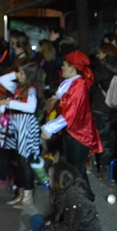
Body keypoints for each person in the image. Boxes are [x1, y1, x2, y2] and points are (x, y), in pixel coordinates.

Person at [41, 51, 102, 187]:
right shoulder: (72, 84)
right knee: (73, 169)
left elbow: (70, 113)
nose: (61, 68)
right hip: (73, 133)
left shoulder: (79, 86)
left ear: (72, 68)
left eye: (64, 65)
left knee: (77, 170)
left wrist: (49, 128)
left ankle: (84, 198)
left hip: (80, 135)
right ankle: (78, 198)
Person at [0, 60, 44, 207]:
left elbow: (31, 108)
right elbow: (2, 79)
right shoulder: (19, 87)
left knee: (23, 161)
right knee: (18, 161)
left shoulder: (31, 89)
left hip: (26, 126)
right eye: (19, 73)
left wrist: (9, 103)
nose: (19, 75)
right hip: (17, 126)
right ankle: (21, 193)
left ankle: (27, 196)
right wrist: (18, 73)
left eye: (22, 73)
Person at [26, 161, 103, 231]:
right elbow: (61, 215)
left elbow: (69, 227)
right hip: (68, 228)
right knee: (35, 219)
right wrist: (50, 222)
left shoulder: (73, 198)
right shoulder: (64, 190)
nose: (47, 179)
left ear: (59, 180)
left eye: (50, 177)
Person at [90, 42, 117, 179]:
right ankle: (116, 166)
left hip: (102, 107)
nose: (98, 56)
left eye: (100, 53)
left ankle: (104, 168)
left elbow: (92, 84)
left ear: (106, 54)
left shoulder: (101, 68)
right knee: (116, 138)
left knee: (103, 139)